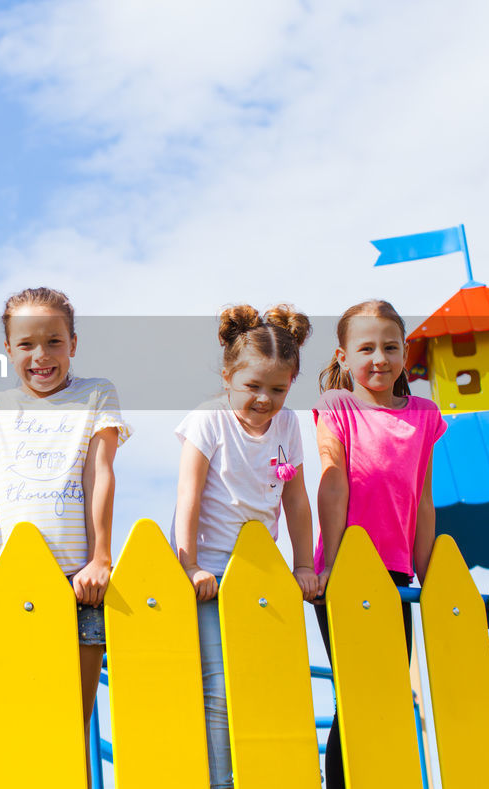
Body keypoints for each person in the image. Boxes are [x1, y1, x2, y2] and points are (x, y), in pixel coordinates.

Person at [0, 287, 130, 773]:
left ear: (72, 343)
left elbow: (99, 474)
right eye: (25, 344)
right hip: (10, 588)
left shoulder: (96, 394)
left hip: (76, 587)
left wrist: (101, 558)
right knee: (21, 724)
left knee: (70, 727)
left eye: (53, 342)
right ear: (7, 349)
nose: (40, 355)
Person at [172, 304, 318, 789]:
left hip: (261, 572)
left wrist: (302, 565)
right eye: (252, 386)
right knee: (217, 686)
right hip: (213, 571)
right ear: (228, 374)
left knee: (267, 675)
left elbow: (296, 500)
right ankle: (221, 782)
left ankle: (271, 774)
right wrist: (189, 564)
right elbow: (188, 496)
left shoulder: (287, 425)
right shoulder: (208, 420)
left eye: (277, 389)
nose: (264, 399)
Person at [313, 300, 446, 789]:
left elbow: (424, 503)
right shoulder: (337, 406)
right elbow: (333, 482)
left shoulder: (425, 415)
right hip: (347, 571)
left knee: (389, 690)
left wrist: (429, 576)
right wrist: (335, 561)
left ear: (405, 353)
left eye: (390, 347)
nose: (379, 359)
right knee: (356, 691)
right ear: (343, 357)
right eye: (365, 348)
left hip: (397, 576)